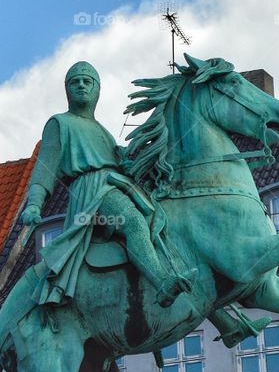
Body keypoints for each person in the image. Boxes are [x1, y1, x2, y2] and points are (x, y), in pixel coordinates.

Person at [22, 62, 193, 308]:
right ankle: (162, 284)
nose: (81, 85)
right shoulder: (60, 123)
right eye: (75, 81)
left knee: (160, 226)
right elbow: (44, 169)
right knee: (133, 222)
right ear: (67, 90)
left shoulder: (104, 131)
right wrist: (34, 205)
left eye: (87, 81)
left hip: (116, 185)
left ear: (97, 90)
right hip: (92, 190)